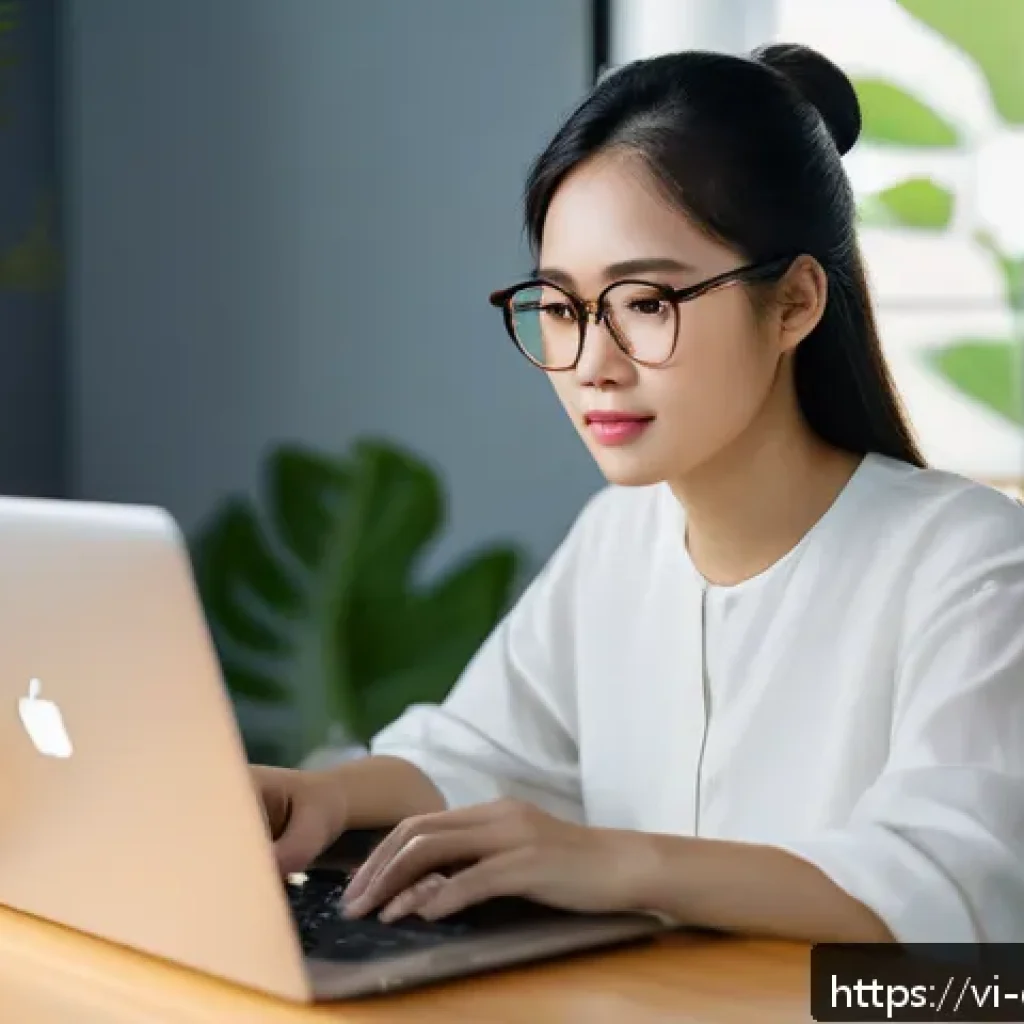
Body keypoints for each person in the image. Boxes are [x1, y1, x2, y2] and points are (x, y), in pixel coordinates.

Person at [253, 43, 1024, 945]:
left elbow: (960, 899)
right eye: (560, 305)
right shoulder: (619, 538)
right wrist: (320, 796)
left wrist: (617, 859)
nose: (592, 364)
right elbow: (479, 754)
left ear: (795, 304)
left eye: (647, 302)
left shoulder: (970, 564)